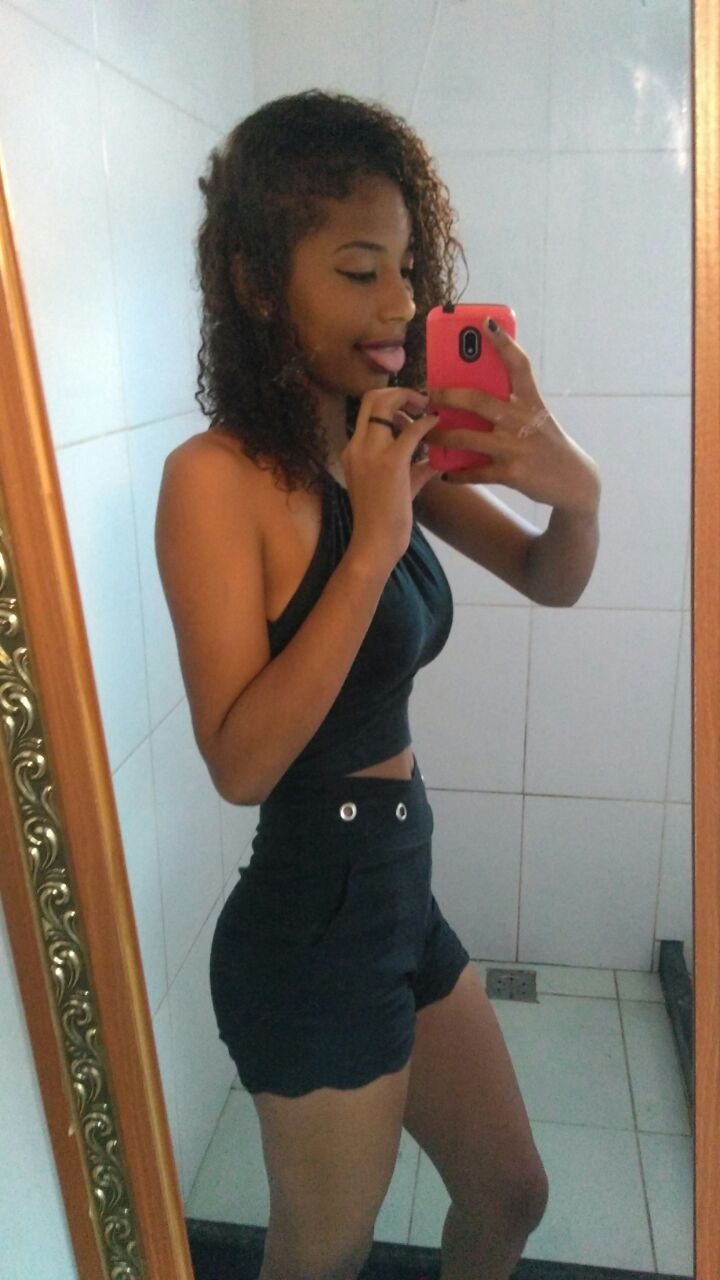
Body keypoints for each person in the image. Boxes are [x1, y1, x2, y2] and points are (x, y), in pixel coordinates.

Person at [155, 90, 600, 1280]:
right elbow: (240, 761)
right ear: (258, 282)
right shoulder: (214, 480)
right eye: (360, 270)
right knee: (323, 1253)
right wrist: (369, 544)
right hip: (310, 916)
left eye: (407, 268)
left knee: (509, 1191)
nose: (401, 303)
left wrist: (577, 489)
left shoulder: (384, 443)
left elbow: (549, 577)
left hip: (398, 883)